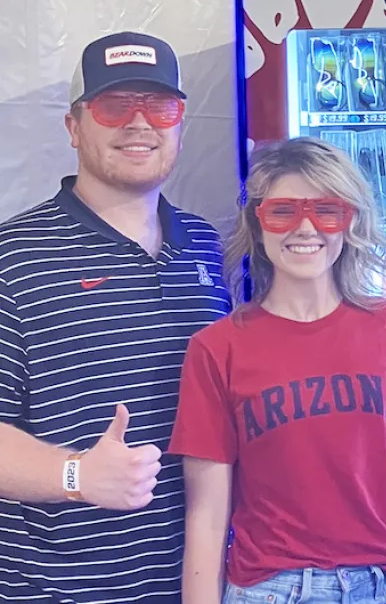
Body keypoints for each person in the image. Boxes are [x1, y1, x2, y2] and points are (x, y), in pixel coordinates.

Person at [168, 137, 386, 604]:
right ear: (258, 224)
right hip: (270, 590)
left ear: (349, 223)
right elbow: (206, 511)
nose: (306, 229)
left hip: (384, 587)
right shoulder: (215, 348)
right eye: (283, 211)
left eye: (327, 211)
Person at [0, 31, 231, 603]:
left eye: (159, 106)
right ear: (74, 127)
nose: (139, 123)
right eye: (114, 105)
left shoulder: (204, 244)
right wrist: (76, 475)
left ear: (180, 123)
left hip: (195, 585)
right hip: (58, 589)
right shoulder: (14, 257)